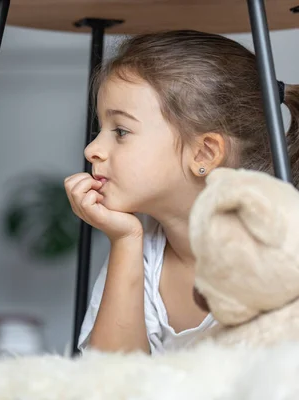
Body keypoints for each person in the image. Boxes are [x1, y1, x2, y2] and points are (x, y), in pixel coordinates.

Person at [65, 30, 299, 354]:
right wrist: (125, 241)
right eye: (99, 129)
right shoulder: (142, 249)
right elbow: (110, 379)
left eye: (120, 131)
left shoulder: (276, 250)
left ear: (203, 154)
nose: (92, 149)